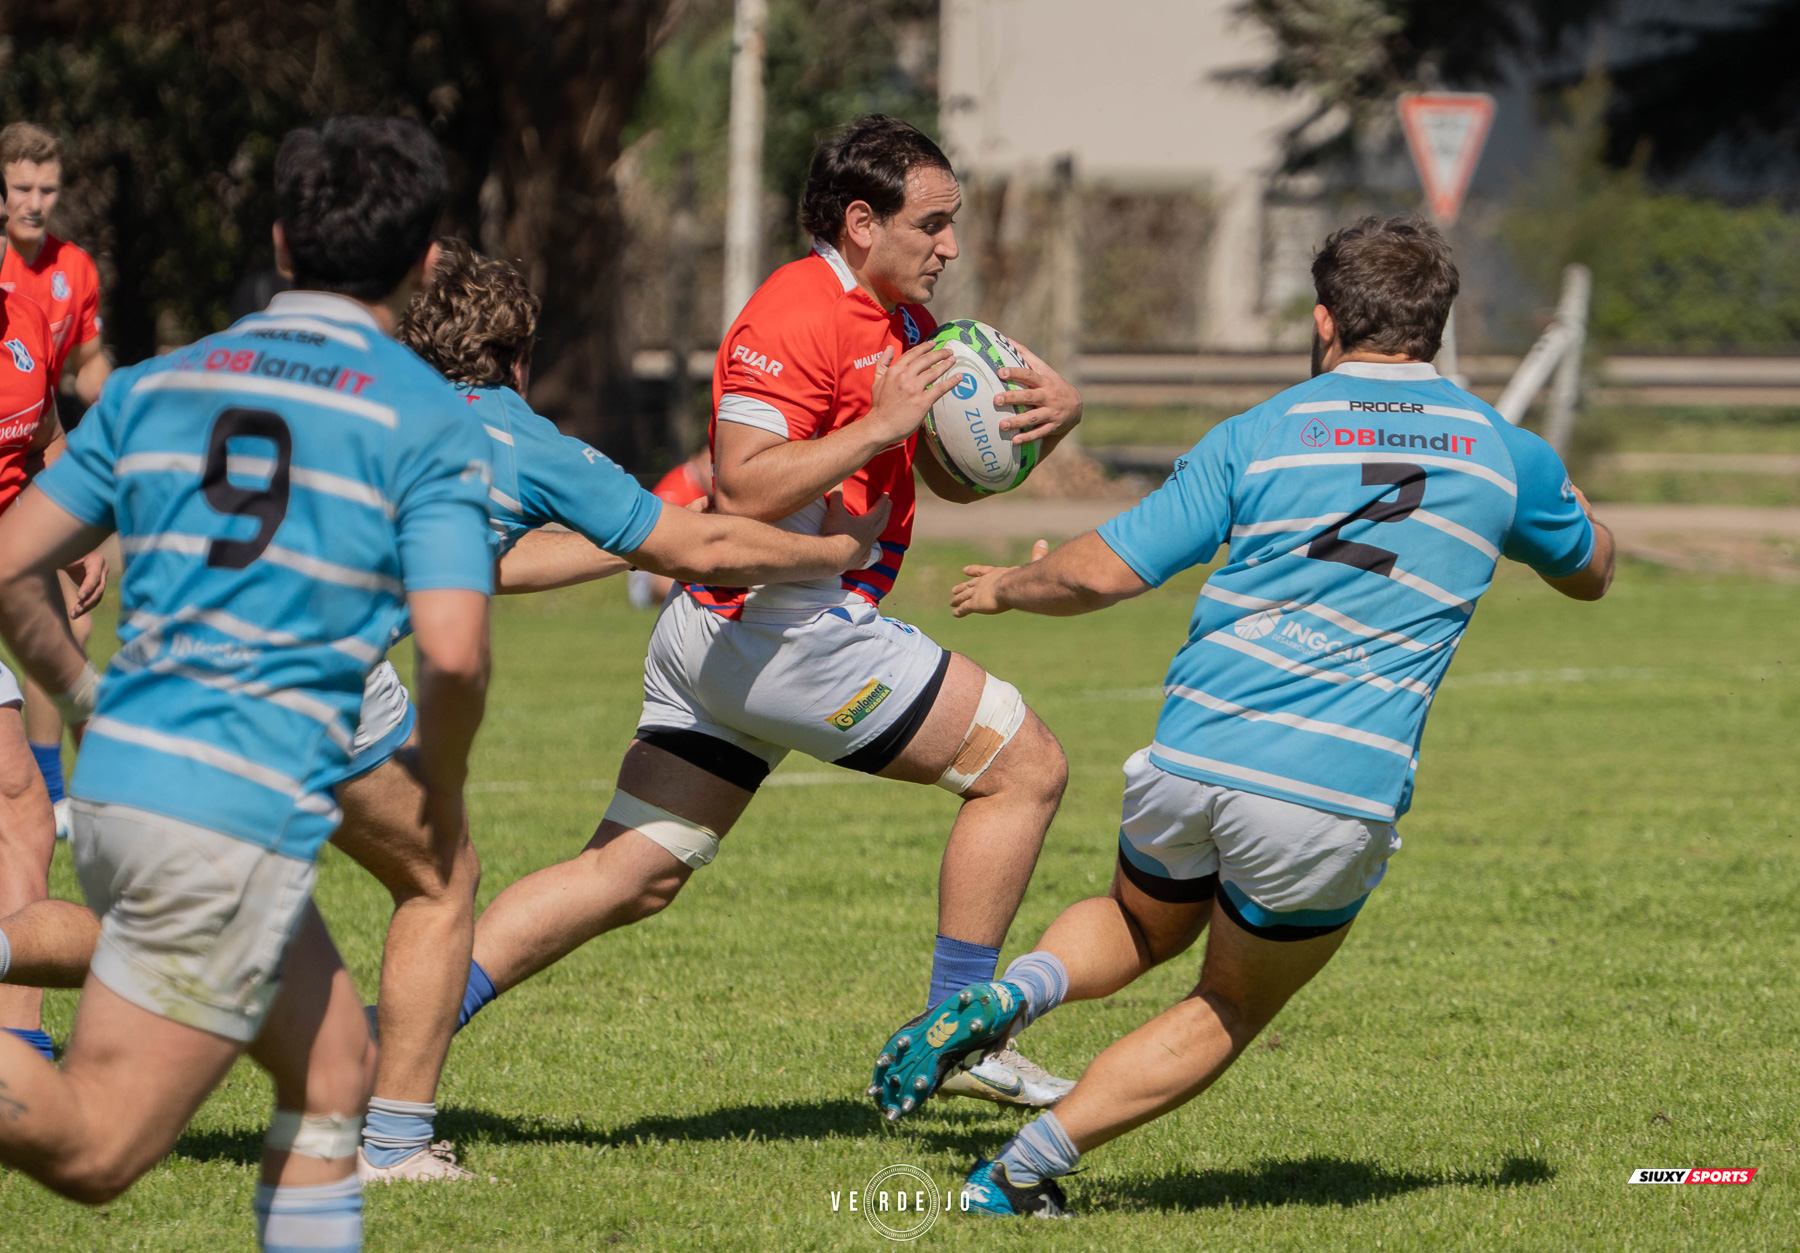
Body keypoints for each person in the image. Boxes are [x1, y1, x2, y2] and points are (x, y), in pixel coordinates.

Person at [0, 235, 893, 1184]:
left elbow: (488, 560)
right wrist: (829, 555)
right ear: (519, 349)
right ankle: (393, 1143)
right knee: (441, 881)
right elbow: (706, 548)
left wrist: (626, 547)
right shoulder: (517, 436)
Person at [868, 216, 1616, 1216]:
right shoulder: (1501, 454)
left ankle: (1013, 994)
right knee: (1228, 1000)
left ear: (1323, 321)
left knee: (1142, 919)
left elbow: (1105, 569)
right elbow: (1592, 570)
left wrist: (1013, 583)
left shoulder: (1260, 433)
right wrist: (1560, 503)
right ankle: (1016, 1173)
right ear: (1437, 327)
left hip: (1192, 751)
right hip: (1327, 789)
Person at [454, 113, 1086, 1109]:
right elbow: (743, 487)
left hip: (731, 637)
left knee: (630, 870)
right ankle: (960, 1028)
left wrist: (1048, 422)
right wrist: (880, 421)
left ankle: (394, 1030)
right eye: (933, 223)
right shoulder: (791, 311)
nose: (950, 246)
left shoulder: (909, 327)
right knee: (1024, 762)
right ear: (861, 221)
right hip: (786, 627)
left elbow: (937, 475)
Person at [0, 116, 496, 1253]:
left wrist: (79, 696)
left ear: (280, 242)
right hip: (231, 809)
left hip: (124, 775)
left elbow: (11, 562)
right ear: (428, 265)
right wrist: (442, 778)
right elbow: (457, 653)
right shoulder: (425, 419)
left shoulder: (161, 382)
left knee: (332, 1066)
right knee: (95, 1148)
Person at [0, 121, 112, 841]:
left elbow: (53, 416)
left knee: (68, 623)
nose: (36, 203)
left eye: (49, 189)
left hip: (18, 521)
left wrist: (132, 402)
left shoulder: (53, 292)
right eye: (22, 189)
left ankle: (65, 789)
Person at [0, 278, 100, 1064]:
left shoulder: (27, 319)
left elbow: (45, 440)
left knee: (23, 810)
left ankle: (18, 1035)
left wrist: (72, 534)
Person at [627, 449, 711, 608]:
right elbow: (654, 544)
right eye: (709, 463)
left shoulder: (713, 491)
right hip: (649, 570)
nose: (713, 470)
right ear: (694, 461)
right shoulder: (675, 490)